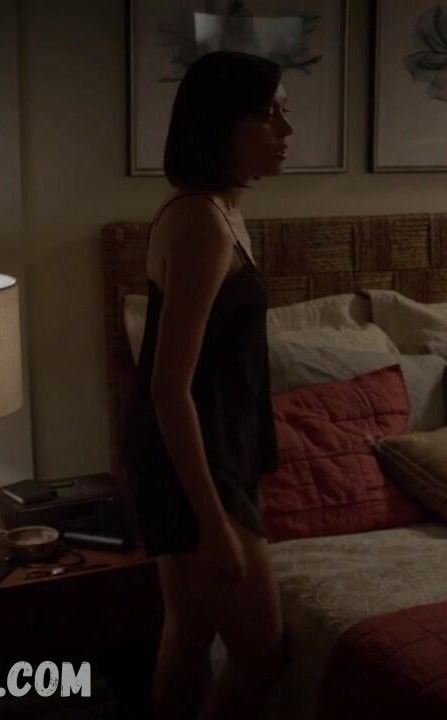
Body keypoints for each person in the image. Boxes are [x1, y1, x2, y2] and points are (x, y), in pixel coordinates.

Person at [125, 50, 292, 719]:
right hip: (194, 458)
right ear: (224, 125)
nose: (285, 130)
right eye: (268, 114)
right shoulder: (200, 222)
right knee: (261, 652)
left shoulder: (221, 211)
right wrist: (214, 520)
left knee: (190, 632)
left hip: (213, 448)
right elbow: (169, 386)